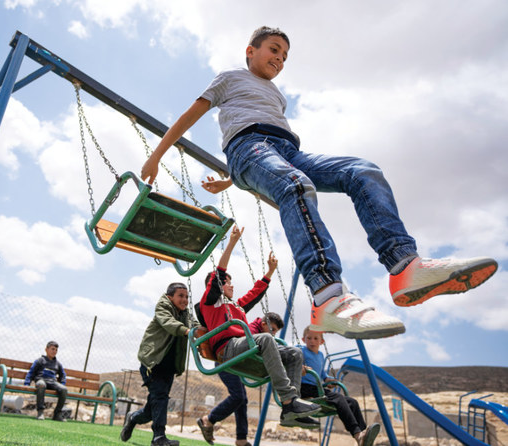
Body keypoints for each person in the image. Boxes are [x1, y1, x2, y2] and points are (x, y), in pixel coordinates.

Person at [140, 25, 497, 340]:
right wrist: (157, 156)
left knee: (362, 170)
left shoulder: (277, 96)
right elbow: (197, 116)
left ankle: (405, 266)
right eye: (274, 50)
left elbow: (272, 162)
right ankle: (328, 296)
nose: (280, 59)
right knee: (296, 186)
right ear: (251, 51)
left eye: (285, 56)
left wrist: (233, 181)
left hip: (285, 151)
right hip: (247, 148)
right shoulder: (230, 78)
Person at [196, 226, 320, 430]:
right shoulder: (210, 303)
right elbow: (218, 275)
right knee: (265, 338)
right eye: (228, 283)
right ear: (217, 285)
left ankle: (291, 409)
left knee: (295, 353)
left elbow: (254, 294)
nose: (232, 286)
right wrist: (232, 243)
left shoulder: (235, 306)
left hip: (243, 347)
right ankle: (288, 399)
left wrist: (269, 273)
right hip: (227, 349)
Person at [197, 312, 312, 446]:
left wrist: (293, 365)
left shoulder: (263, 335)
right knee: (238, 397)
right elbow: (261, 352)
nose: (274, 334)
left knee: (242, 399)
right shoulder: (252, 330)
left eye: (276, 331)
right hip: (226, 362)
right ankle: (208, 419)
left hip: (237, 362)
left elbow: (271, 355)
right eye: (273, 329)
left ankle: (241, 439)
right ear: (264, 324)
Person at [120, 282, 198, 446]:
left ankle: (133, 418)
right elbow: (169, 323)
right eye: (180, 296)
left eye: (186, 297)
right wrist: (187, 331)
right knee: (160, 397)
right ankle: (158, 437)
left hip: (168, 365)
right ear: (170, 297)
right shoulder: (163, 308)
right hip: (153, 362)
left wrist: (204, 332)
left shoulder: (186, 314)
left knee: (152, 408)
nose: (185, 300)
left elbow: (195, 326)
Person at [300, 326, 381, 446]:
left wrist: (328, 380)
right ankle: (357, 433)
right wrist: (298, 366)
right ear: (303, 339)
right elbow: (291, 357)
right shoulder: (301, 351)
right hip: (304, 388)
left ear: (322, 341)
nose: (312, 341)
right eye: (309, 338)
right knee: (339, 398)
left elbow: (322, 374)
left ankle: (364, 434)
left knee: (352, 402)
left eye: (316, 338)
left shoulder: (321, 356)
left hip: (317, 389)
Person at [24, 340, 68, 421]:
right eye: (52, 349)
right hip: (41, 380)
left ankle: (57, 414)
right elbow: (31, 372)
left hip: (52, 382)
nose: (54, 351)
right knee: (41, 385)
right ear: (46, 349)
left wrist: (62, 384)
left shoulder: (58, 364)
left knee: (64, 389)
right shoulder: (40, 360)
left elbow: (63, 375)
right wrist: (27, 383)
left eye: (56, 350)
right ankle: (40, 412)